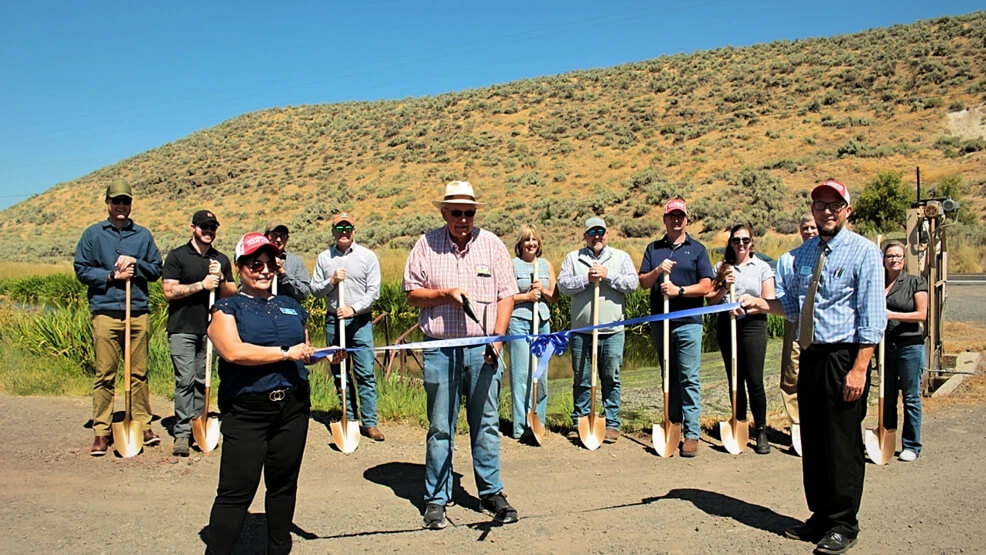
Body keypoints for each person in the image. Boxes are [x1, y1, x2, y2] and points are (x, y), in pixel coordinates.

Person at [738, 180, 885, 554]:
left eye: (835, 205)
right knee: (815, 442)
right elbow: (792, 305)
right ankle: (820, 516)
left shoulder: (864, 253)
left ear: (847, 210)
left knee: (841, 443)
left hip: (844, 358)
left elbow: (872, 318)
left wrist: (859, 368)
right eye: (820, 204)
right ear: (813, 210)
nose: (827, 211)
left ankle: (844, 523)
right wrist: (760, 304)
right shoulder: (801, 256)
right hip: (811, 356)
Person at [403, 181, 519, 530]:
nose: (463, 219)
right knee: (441, 427)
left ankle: (491, 493)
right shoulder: (425, 244)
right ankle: (437, 498)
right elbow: (412, 293)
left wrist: (497, 340)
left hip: (483, 349)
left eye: (469, 212)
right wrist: (444, 295)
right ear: (444, 213)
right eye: (456, 212)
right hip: (440, 349)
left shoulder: (492, 245)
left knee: (486, 424)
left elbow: (506, 295)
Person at [204, 232, 319, 555]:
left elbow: (303, 349)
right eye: (256, 264)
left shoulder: (291, 306)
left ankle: (278, 550)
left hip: (293, 407)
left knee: (283, 486)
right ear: (240, 267)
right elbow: (233, 352)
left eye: (271, 263)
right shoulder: (227, 308)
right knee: (236, 492)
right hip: (248, 411)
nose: (265, 270)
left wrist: (321, 355)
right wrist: (285, 354)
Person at [74, 180, 163, 456]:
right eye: (116, 201)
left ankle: (143, 424)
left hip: (137, 311)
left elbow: (156, 269)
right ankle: (101, 430)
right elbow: (81, 269)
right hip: (106, 312)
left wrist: (136, 264)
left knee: (139, 374)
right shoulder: (93, 235)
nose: (121, 206)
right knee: (105, 374)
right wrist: (112, 276)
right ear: (108, 203)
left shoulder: (143, 236)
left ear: (131, 204)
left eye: (126, 201)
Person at [637, 197, 713, 457]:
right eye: (672, 216)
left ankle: (692, 434)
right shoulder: (654, 248)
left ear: (687, 219)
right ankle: (673, 425)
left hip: (689, 323)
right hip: (662, 322)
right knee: (668, 375)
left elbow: (706, 286)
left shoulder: (698, 249)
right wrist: (658, 270)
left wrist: (678, 290)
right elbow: (644, 282)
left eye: (680, 216)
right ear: (665, 220)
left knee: (689, 377)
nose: (676, 220)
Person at [161, 209, 236, 457]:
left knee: (203, 379)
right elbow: (169, 291)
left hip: (210, 330)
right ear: (193, 228)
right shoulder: (177, 256)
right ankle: (182, 433)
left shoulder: (220, 259)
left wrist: (221, 278)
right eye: (204, 226)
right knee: (185, 380)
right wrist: (202, 285)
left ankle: (199, 424)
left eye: (213, 227)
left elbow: (231, 293)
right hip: (182, 328)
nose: (209, 231)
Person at [558, 217, 639, 444]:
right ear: (585, 236)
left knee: (611, 377)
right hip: (582, 332)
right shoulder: (573, 258)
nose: (597, 236)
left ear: (606, 234)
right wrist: (586, 278)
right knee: (582, 378)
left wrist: (607, 275)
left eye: (601, 232)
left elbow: (632, 284)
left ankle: (611, 423)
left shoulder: (620, 257)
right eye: (592, 232)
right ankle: (580, 421)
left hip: (613, 330)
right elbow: (563, 285)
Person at [311, 213, 385, 441]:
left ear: (354, 230)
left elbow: (374, 292)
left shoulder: (367, 257)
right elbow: (315, 290)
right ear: (333, 231)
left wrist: (353, 308)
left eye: (347, 228)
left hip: (360, 322)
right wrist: (331, 282)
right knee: (339, 371)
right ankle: (349, 418)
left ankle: (370, 423)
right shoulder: (324, 258)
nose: (344, 232)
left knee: (365, 373)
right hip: (334, 321)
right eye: (339, 228)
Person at [706, 224, 775, 454]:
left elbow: (769, 301)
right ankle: (740, 422)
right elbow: (711, 300)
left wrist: (746, 308)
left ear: (751, 242)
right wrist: (725, 287)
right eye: (736, 240)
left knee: (754, 380)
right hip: (727, 325)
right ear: (731, 243)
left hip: (753, 325)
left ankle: (761, 430)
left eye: (745, 240)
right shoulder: (722, 267)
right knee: (735, 378)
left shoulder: (762, 267)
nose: (741, 244)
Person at [507, 224, 557, 440]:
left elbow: (554, 296)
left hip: (542, 324)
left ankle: (538, 422)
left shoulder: (546, 265)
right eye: (527, 240)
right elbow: (505, 298)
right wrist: (526, 297)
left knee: (540, 374)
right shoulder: (512, 265)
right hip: (518, 323)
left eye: (534, 239)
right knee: (521, 375)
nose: (531, 244)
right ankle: (520, 426)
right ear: (520, 243)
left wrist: (542, 290)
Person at [882, 240, 928, 462]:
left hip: (909, 346)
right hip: (885, 346)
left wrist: (891, 315)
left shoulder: (915, 282)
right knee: (887, 396)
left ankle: (911, 445)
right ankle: (886, 441)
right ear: (884, 260)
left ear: (904, 259)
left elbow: (921, 315)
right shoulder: (878, 283)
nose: (894, 260)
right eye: (890, 256)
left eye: (898, 256)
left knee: (910, 397)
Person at [777, 213, 818, 453]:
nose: (810, 231)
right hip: (795, 321)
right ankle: (797, 424)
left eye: (813, 227)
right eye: (805, 228)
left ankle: (819, 423)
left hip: (822, 325)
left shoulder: (828, 255)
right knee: (792, 374)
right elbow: (780, 290)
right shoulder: (787, 259)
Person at [264, 221, 312, 301]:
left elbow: (304, 293)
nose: (278, 239)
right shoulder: (255, 261)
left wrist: (283, 274)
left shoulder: (296, 262)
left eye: (282, 236)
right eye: (274, 235)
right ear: (266, 237)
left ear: (287, 238)